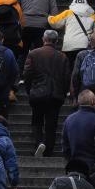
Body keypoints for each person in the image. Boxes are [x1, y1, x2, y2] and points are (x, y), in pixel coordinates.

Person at [23, 29, 70, 157]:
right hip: (55, 95)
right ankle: (49, 149)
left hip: (37, 93)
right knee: (52, 123)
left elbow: (27, 75)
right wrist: (63, 92)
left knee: (37, 120)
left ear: (44, 39)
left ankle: (38, 143)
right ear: (56, 41)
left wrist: (30, 90)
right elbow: (66, 78)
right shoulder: (62, 57)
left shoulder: (33, 54)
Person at [15, 0, 58, 65]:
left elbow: (14, 8)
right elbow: (54, 13)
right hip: (42, 26)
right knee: (39, 52)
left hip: (25, 25)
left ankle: (20, 74)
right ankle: (38, 73)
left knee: (23, 52)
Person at [48, 0, 95, 71]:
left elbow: (55, 23)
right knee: (84, 69)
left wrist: (48, 17)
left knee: (69, 68)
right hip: (85, 46)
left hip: (69, 46)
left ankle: (70, 82)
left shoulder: (68, 13)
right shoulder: (93, 16)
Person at [62, 89, 95, 172]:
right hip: (93, 166)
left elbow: (65, 145)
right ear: (92, 101)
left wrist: (70, 159)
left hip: (75, 166)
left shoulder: (69, 119)